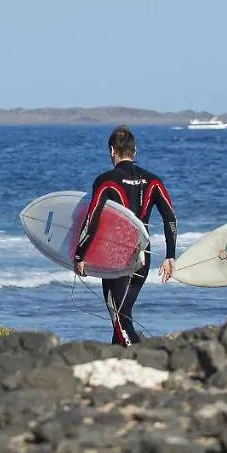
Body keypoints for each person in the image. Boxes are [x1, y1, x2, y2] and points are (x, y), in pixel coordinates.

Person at [72, 125, 178, 346]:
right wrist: (170, 256)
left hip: (115, 257)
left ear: (112, 151)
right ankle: (118, 359)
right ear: (134, 151)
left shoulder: (106, 180)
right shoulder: (153, 180)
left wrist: (80, 255)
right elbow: (170, 217)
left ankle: (139, 358)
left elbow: (92, 220)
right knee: (123, 313)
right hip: (143, 256)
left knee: (119, 316)